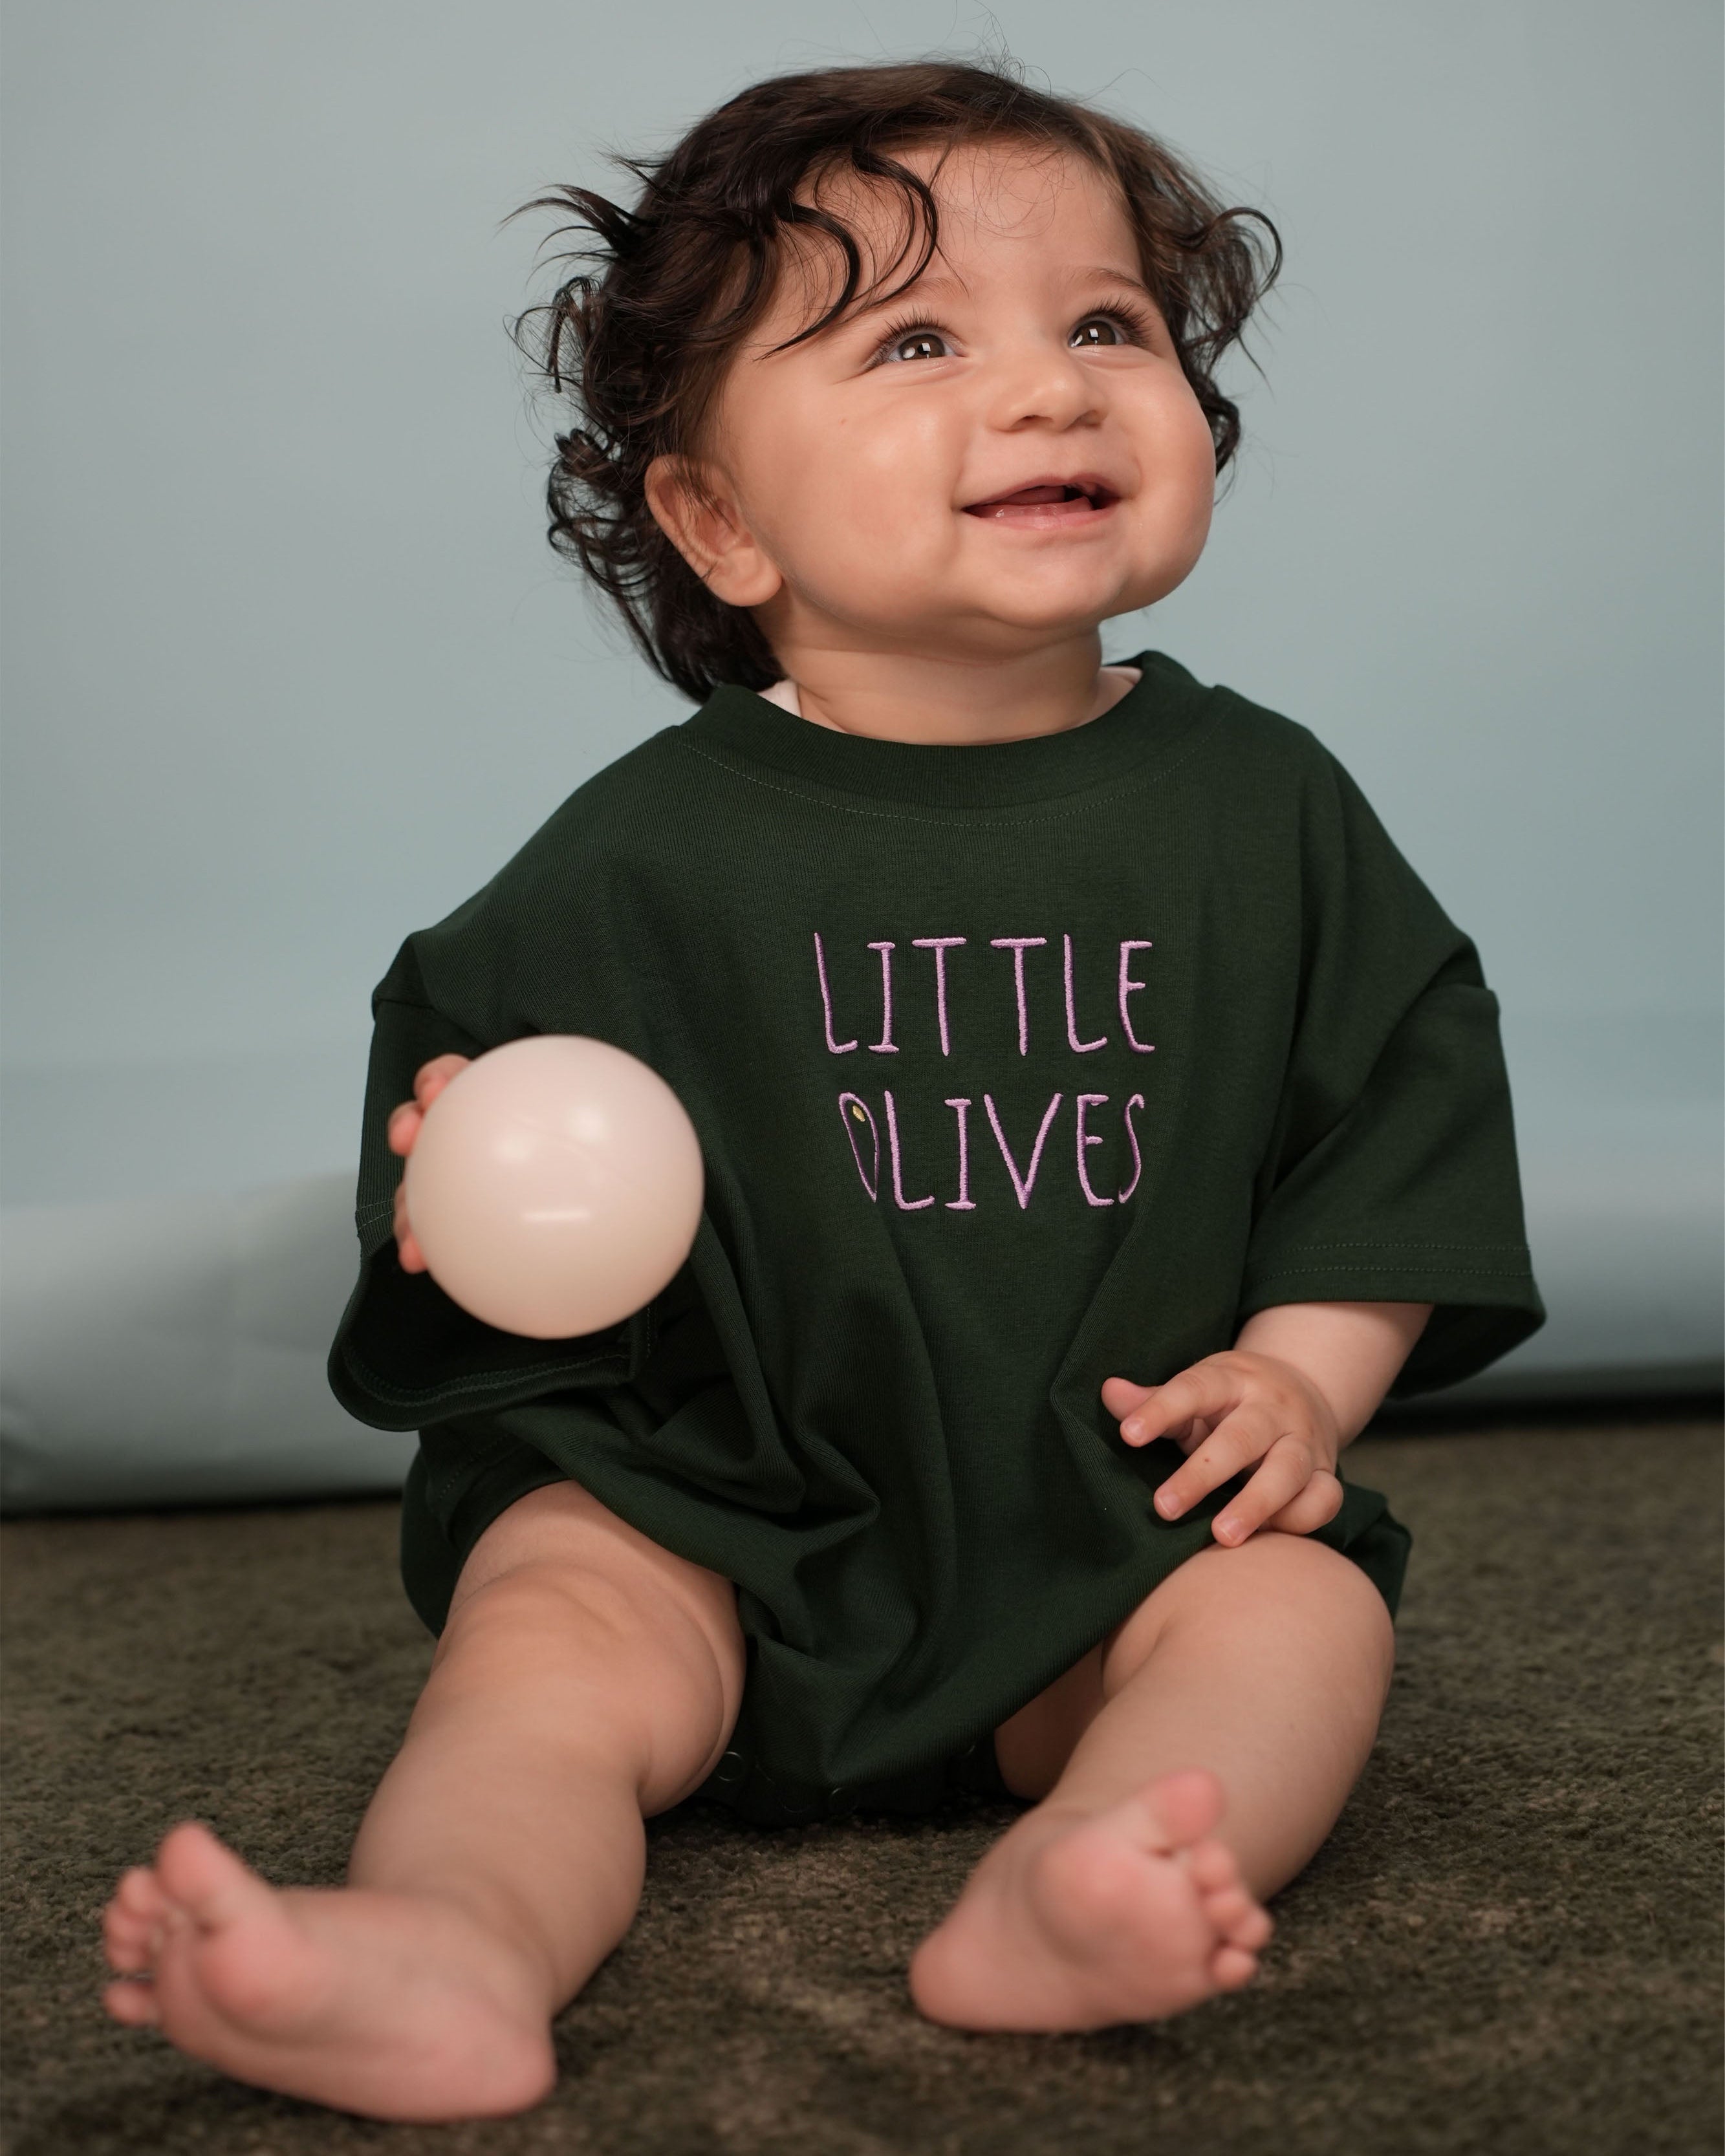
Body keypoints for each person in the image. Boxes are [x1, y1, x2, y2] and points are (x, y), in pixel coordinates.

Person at [98, 57, 1543, 2121]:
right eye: (919, 341)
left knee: (1296, 1613)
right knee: (544, 1634)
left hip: (1106, 1524)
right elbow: (478, 1103)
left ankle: (1082, 1872)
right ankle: (452, 1941)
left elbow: (1390, 1110)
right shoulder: (645, 855)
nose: (1046, 388)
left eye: (1105, 323)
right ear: (718, 519)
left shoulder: (1267, 810)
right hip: (715, 1524)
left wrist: (1300, 1384)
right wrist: (450, 1180)